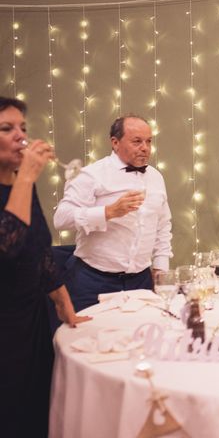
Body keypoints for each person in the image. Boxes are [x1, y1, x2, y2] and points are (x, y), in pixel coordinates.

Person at [0, 97, 90, 437]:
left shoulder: (22, 184)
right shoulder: (21, 182)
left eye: (22, 128)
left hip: (32, 317)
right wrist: (25, 177)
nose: (20, 137)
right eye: (7, 129)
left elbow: (39, 248)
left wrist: (65, 306)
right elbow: (7, 245)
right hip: (3, 324)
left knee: (37, 408)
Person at [53, 113, 173, 311]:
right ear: (115, 142)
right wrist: (108, 212)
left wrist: (160, 267)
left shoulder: (156, 177)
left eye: (148, 141)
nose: (145, 148)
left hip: (141, 281)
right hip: (93, 282)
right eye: (137, 141)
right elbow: (61, 218)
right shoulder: (91, 175)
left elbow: (162, 225)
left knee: (141, 338)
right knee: (88, 340)